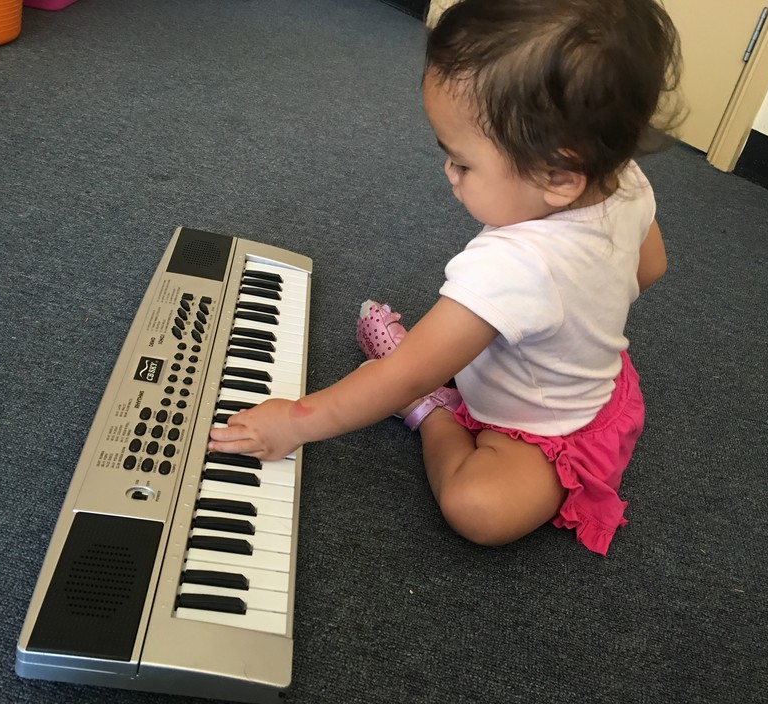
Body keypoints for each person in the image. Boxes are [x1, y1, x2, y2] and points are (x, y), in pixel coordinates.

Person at [209, 0, 683, 555]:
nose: (448, 173)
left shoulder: (512, 264)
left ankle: (433, 412)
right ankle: (452, 370)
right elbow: (651, 267)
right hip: (598, 387)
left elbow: (400, 375)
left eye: (462, 162)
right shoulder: (627, 178)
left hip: (542, 433)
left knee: (476, 509)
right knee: (466, 351)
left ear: (559, 176)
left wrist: (292, 422)